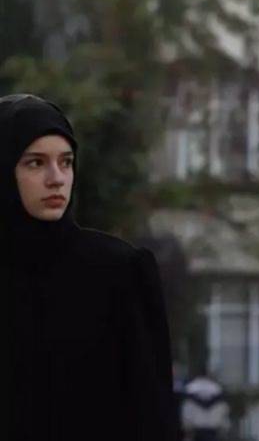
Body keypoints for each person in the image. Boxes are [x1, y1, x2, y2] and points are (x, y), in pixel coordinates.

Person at [1, 94, 175, 441]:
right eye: (35, 163)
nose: (56, 178)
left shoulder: (120, 271)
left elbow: (152, 414)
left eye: (66, 162)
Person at [181, 371, 231, 441]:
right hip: (213, 431)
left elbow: (186, 415)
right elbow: (224, 415)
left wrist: (186, 429)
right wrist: (224, 429)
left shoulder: (190, 392)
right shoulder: (218, 392)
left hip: (195, 431)